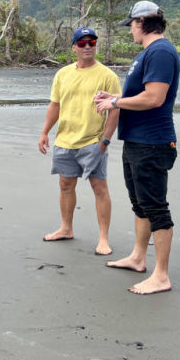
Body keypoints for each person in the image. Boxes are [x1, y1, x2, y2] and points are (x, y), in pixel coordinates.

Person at [95, 1, 180, 295]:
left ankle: (161, 275)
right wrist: (114, 97)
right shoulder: (148, 53)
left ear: (142, 22)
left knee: (155, 207)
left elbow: (154, 97)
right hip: (136, 141)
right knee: (139, 203)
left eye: (131, 24)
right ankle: (138, 257)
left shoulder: (160, 52)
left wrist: (115, 102)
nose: (130, 29)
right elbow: (139, 94)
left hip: (152, 143)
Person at [38, 27, 121, 255]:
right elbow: (55, 105)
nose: (87, 47)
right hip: (65, 140)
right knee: (65, 185)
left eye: (91, 42)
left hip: (92, 141)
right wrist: (45, 132)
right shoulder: (62, 74)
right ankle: (66, 228)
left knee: (99, 188)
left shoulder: (107, 76)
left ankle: (103, 239)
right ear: (74, 47)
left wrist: (104, 140)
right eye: (82, 43)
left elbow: (115, 109)